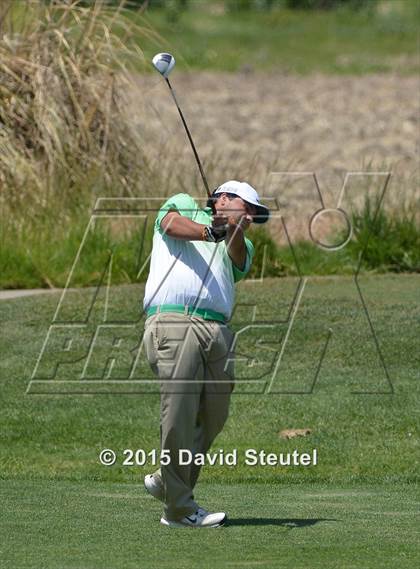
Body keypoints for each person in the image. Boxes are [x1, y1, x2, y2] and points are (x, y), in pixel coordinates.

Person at [142, 180, 269, 528]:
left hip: (217, 332)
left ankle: (169, 482)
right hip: (174, 320)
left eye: (256, 215)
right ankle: (179, 509)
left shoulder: (240, 243)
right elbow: (168, 223)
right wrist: (206, 230)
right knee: (180, 410)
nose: (253, 218)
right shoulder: (184, 204)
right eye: (250, 209)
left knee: (212, 415)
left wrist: (228, 230)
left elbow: (238, 258)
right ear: (224, 199)